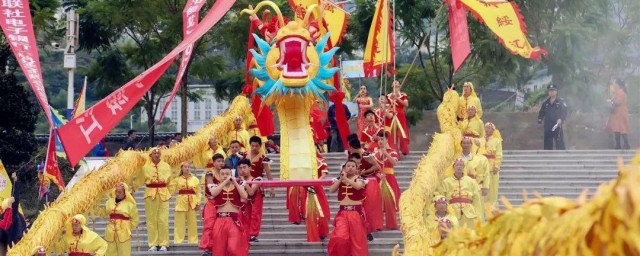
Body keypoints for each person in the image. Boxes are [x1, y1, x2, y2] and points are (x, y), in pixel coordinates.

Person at [134, 148, 172, 251]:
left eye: (158, 153)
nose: (156, 155)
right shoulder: (145, 167)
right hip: (150, 193)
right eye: (154, 153)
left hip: (163, 193)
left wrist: (170, 192)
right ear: (150, 155)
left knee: (163, 219)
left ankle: (164, 243)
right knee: (151, 220)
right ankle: (153, 244)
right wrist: (133, 189)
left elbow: (170, 181)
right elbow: (140, 180)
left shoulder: (166, 166)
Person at [327, 160, 369, 256]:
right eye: (348, 166)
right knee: (340, 237)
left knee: (357, 240)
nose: (350, 168)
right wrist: (341, 179)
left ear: (356, 168)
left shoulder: (360, 179)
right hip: (343, 213)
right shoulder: (340, 179)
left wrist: (347, 179)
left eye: (353, 166)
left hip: (356, 213)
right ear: (344, 168)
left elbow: (358, 187)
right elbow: (331, 190)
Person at [209, 167, 249, 256]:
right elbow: (214, 193)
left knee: (234, 247)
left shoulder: (238, 187)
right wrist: (224, 182)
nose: (225, 176)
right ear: (219, 176)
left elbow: (245, 196)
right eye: (222, 174)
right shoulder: (215, 186)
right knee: (219, 248)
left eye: (227, 174)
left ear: (231, 175)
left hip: (233, 220)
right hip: (220, 220)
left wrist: (234, 182)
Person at [242, 136, 274, 241]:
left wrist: (272, 188)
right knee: (245, 210)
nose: (254, 148)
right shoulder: (244, 156)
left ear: (260, 146)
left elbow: (268, 173)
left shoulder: (263, 158)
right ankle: (245, 232)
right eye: (252, 145)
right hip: (245, 186)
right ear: (250, 145)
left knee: (256, 211)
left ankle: (253, 234)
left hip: (257, 187)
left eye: (256, 146)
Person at [437, 159, 479, 228]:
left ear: (463, 167)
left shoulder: (471, 181)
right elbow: (442, 197)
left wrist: (478, 214)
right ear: (453, 168)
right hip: (453, 212)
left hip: (469, 212)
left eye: (461, 165)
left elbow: (476, 199)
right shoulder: (446, 182)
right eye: (457, 165)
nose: (459, 167)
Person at [350, 152, 382, 241]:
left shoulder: (366, 156)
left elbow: (377, 167)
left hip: (368, 185)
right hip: (356, 187)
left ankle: (368, 230)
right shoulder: (350, 164)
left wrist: (363, 173)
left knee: (366, 208)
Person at [100, 182, 139, 256]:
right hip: (110, 232)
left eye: (119, 192)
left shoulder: (130, 204)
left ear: (125, 193)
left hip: (124, 233)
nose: (117, 194)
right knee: (109, 253)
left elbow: (135, 220)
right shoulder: (109, 202)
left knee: (124, 253)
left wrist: (127, 228)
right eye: (116, 191)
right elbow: (103, 214)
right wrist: (94, 207)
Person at [374, 132, 401, 230]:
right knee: (377, 202)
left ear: (387, 140)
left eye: (382, 139)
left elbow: (394, 162)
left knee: (390, 202)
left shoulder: (392, 152)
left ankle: (392, 224)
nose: (380, 141)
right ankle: (378, 225)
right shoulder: (375, 154)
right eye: (379, 139)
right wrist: (378, 174)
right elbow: (372, 168)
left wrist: (386, 153)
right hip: (378, 178)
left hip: (389, 178)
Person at [198, 153, 224, 255]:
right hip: (211, 204)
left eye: (222, 161)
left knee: (219, 227)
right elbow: (211, 189)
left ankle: (216, 248)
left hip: (222, 204)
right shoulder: (210, 174)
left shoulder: (225, 174)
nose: (221, 163)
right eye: (218, 161)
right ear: (213, 163)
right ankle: (207, 248)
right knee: (209, 226)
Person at [459, 137, 490, 222]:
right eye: (464, 143)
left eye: (468, 143)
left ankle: (479, 228)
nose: (466, 145)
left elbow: (486, 173)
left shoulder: (479, 159)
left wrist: (485, 187)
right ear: (461, 144)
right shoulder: (457, 158)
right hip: (462, 187)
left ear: (471, 145)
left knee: (478, 209)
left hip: (476, 187)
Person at [170, 162, 201, 244]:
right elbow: (172, 189)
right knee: (179, 223)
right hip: (181, 202)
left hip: (192, 202)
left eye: (188, 167)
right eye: (185, 167)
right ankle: (178, 240)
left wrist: (198, 202)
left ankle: (193, 241)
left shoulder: (195, 179)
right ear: (181, 168)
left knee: (192, 223)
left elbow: (198, 192)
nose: (187, 168)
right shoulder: (177, 179)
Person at [476, 123, 503, 212]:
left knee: (493, 188)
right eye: (486, 128)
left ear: (493, 130)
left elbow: (498, 154)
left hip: (492, 167)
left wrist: (496, 166)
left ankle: (492, 208)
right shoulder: (479, 140)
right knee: (482, 186)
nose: (487, 129)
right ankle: (481, 207)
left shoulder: (496, 141)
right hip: (481, 167)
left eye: (489, 128)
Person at [537, 84, 567, 150]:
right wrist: (540, 118)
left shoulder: (560, 102)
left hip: (557, 125)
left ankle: (562, 158)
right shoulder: (545, 103)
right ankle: (547, 159)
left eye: (553, 90)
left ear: (556, 91)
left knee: (560, 143)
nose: (551, 92)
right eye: (550, 91)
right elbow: (542, 112)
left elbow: (564, 112)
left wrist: (561, 119)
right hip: (548, 126)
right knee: (547, 144)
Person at [387, 80, 410, 155]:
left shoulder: (403, 95)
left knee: (402, 132)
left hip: (400, 114)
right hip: (392, 114)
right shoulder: (388, 96)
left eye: (397, 82)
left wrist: (397, 99)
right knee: (393, 133)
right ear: (392, 85)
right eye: (394, 82)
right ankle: (394, 151)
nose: (395, 83)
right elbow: (387, 106)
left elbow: (406, 104)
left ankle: (404, 150)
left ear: (399, 85)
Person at [606, 79, 631, 149]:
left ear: (617, 84)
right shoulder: (617, 92)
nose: (613, 84)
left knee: (622, 129)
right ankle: (618, 145)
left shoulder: (620, 92)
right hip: (617, 114)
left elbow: (618, 101)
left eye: (614, 83)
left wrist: (612, 102)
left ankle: (626, 145)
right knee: (616, 129)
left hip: (621, 114)